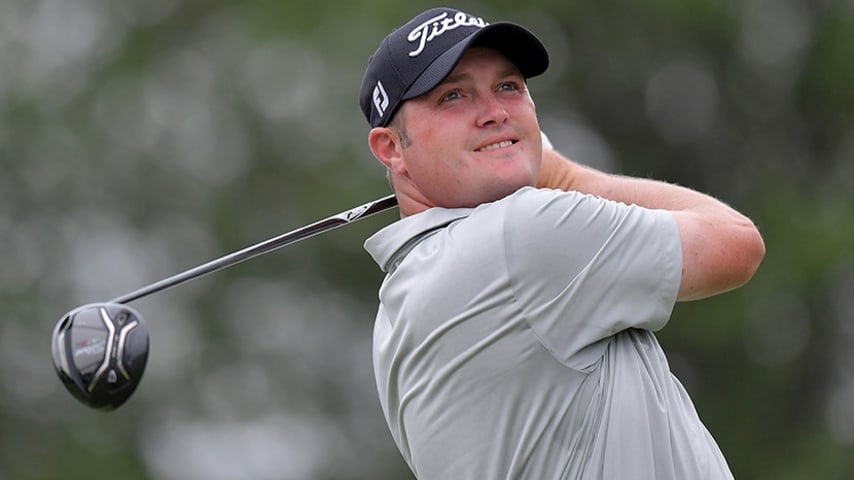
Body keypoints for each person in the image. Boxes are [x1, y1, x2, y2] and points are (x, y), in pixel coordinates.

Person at [358, 7, 765, 480]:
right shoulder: (521, 237)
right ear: (392, 149)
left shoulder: (397, 307)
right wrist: (559, 172)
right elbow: (734, 243)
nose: (495, 113)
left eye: (508, 86)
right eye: (453, 96)